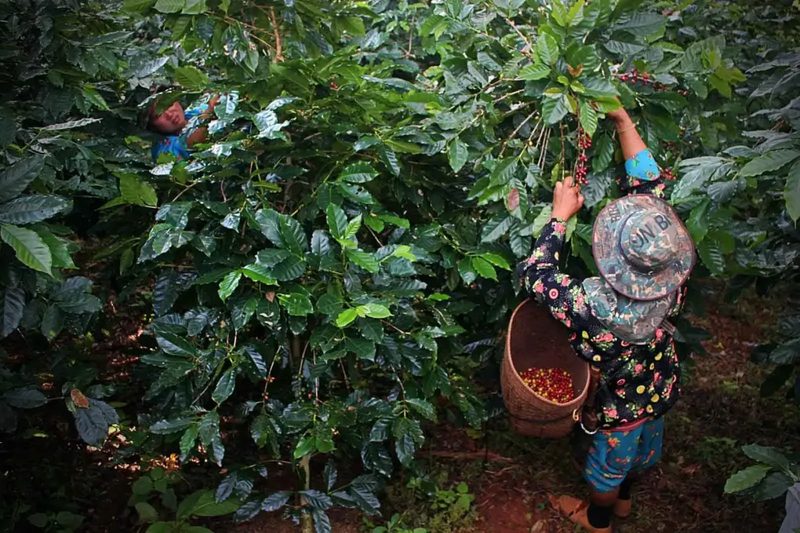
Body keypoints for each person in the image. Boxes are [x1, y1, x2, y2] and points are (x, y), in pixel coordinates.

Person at [517, 105, 696, 532]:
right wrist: (623, 122)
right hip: (659, 386)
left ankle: (599, 518)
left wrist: (559, 215)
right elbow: (649, 185)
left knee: (607, 471)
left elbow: (535, 276)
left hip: (620, 410)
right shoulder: (671, 279)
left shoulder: (589, 306)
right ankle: (625, 506)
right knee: (640, 455)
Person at [142, 92, 219, 162]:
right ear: (152, 126)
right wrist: (210, 113)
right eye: (158, 115)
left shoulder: (193, 111)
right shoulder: (162, 149)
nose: (169, 114)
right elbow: (192, 142)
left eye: (168, 105)